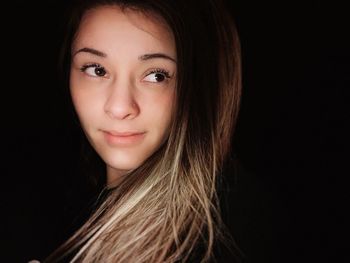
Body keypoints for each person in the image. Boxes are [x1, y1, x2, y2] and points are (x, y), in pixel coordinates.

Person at [44, 0, 242, 262]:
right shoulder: (52, 208)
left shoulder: (218, 242)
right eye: (97, 70)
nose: (119, 107)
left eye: (156, 76)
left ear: (195, 84)